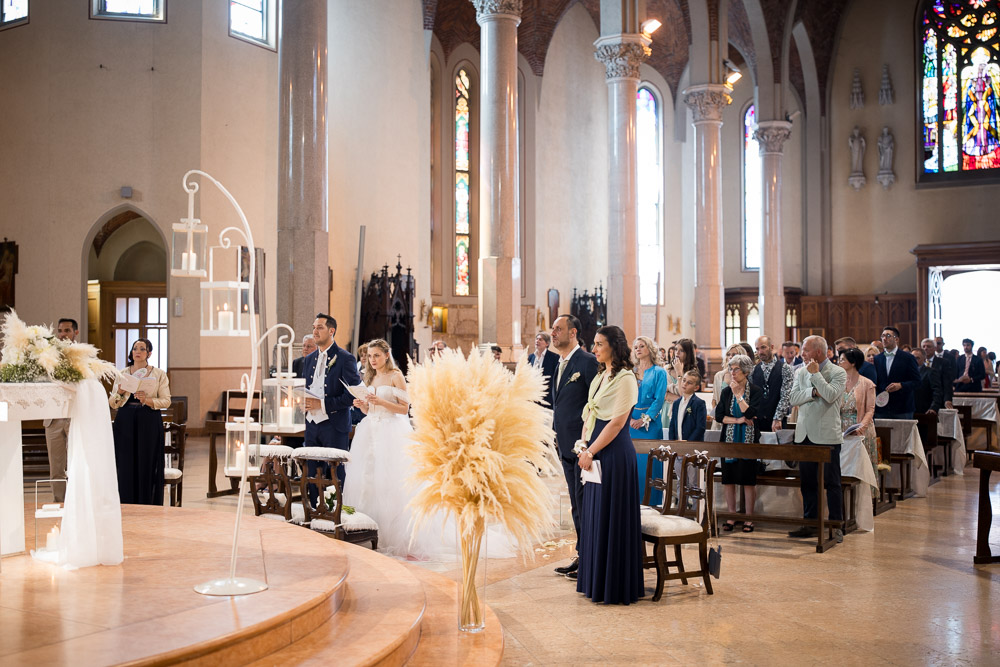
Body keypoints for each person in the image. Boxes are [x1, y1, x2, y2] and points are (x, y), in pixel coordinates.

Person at [577, 325, 643, 605]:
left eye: (599, 344)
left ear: (614, 347)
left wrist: (590, 450)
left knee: (611, 518)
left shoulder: (626, 378)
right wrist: (582, 446)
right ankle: (595, 582)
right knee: (595, 518)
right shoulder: (600, 376)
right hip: (595, 453)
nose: (594, 350)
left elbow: (617, 423)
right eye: (593, 344)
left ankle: (614, 586)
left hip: (614, 455)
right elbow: (590, 414)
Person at [549, 315, 599, 580]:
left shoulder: (587, 362)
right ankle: (583, 554)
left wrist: (588, 444)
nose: (553, 333)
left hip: (583, 448)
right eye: (553, 329)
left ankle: (589, 558)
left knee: (584, 502)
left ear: (573, 332)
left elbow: (596, 403)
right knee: (576, 505)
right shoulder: (560, 363)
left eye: (558, 329)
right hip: (566, 444)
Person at [788, 336, 847, 542]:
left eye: (805, 350)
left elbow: (830, 395)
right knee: (808, 483)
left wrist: (816, 378)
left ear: (818, 352)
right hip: (804, 435)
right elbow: (793, 399)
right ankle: (810, 523)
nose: (801, 353)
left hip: (827, 435)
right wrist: (813, 391)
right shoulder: (800, 371)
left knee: (832, 483)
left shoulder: (838, 372)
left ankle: (836, 524)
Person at [298, 313, 362, 499]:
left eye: (320, 327)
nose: (315, 331)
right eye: (314, 327)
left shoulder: (345, 358)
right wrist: (304, 402)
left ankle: (337, 513)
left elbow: (352, 394)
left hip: (334, 425)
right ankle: (312, 511)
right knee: (311, 473)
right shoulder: (309, 360)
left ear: (331, 330)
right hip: (311, 425)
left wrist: (322, 404)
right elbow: (309, 388)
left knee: (336, 474)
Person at [109, 338, 172, 505]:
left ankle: (147, 502)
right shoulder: (122, 373)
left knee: (147, 461)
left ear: (149, 353)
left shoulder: (158, 374)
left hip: (148, 420)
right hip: (125, 421)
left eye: (142, 349)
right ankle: (126, 502)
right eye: (135, 348)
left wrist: (148, 400)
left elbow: (166, 401)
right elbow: (112, 402)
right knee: (125, 462)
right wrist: (120, 392)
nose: (137, 351)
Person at [715, 354, 763, 532]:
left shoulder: (756, 391)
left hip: (749, 441)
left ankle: (749, 518)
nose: (732, 373)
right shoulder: (726, 391)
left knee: (748, 480)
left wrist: (739, 397)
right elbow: (719, 416)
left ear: (746, 371)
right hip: (729, 439)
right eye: (730, 369)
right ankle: (732, 515)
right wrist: (738, 420)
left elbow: (751, 413)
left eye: (736, 369)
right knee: (729, 480)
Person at [629, 336, 668, 505]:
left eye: (642, 346)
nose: (638, 349)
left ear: (650, 349)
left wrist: (644, 419)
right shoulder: (631, 372)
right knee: (633, 463)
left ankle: (652, 501)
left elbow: (659, 399)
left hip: (650, 425)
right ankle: (632, 501)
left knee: (649, 463)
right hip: (630, 422)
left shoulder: (659, 372)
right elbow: (625, 396)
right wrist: (629, 418)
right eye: (636, 346)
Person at [837, 347, 881, 493]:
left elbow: (870, 409)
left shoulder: (866, 383)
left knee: (861, 465)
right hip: (841, 429)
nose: (839, 362)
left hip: (861, 428)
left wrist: (861, 427)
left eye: (842, 359)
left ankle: (865, 497)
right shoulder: (838, 382)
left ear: (853, 362)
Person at [44, 317, 78, 503]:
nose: (63, 334)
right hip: (53, 418)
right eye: (60, 331)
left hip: (75, 416)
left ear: (75, 333)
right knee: (56, 466)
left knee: (76, 463)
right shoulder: (48, 355)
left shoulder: (82, 355)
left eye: (67, 331)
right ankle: (59, 503)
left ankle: (76, 503)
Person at [873, 326, 921, 420]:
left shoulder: (908, 358)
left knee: (903, 434)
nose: (884, 338)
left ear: (896, 339)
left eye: (888, 336)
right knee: (883, 434)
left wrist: (901, 385)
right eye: (882, 336)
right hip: (882, 408)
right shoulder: (877, 358)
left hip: (902, 408)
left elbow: (917, 382)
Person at [752, 335, 793, 435]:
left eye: (763, 347)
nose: (760, 352)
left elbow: (786, 396)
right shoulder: (754, 370)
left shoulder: (785, 368)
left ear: (771, 347)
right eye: (757, 349)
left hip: (777, 420)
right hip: (757, 420)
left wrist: (777, 418)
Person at [668, 370, 707, 442]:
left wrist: (688, 443)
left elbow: (700, 428)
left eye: (689, 383)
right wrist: (672, 441)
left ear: (696, 388)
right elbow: (672, 424)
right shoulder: (676, 403)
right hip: (677, 443)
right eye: (684, 380)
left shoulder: (699, 403)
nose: (685, 384)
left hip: (692, 444)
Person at [527, 332, 559, 406]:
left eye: (540, 339)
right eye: (537, 339)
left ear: (547, 344)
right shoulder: (531, 357)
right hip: (533, 395)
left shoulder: (554, 357)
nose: (537, 341)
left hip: (547, 396)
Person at [922, 337, 954, 409]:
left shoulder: (943, 362)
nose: (925, 348)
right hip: (921, 400)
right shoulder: (918, 362)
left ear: (934, 348)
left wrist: (947, 399)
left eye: (928, 346)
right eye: (923, 346)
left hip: (938, 399)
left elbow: (947, 383)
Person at [912, 347, 944, 414]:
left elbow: (937, 391)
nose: (914, 360)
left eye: (917, 358)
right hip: (908, 410)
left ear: (924, 359)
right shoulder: (905, 372)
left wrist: (933, 407)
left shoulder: (930, 372)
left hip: (924, 411)